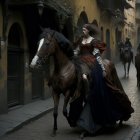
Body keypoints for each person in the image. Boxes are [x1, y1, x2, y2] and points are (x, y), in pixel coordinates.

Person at [68, 23, 134, 138]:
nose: (82, 31)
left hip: (93, 65)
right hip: (80, 62)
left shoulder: (93, 41)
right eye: (82, 29)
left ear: (88, 31)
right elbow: (77, 51)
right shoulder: (80, 40)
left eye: (84, 29)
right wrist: (73, 55)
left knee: (97, 92)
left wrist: (103, 69)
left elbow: (97, 56)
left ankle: (99, 120)